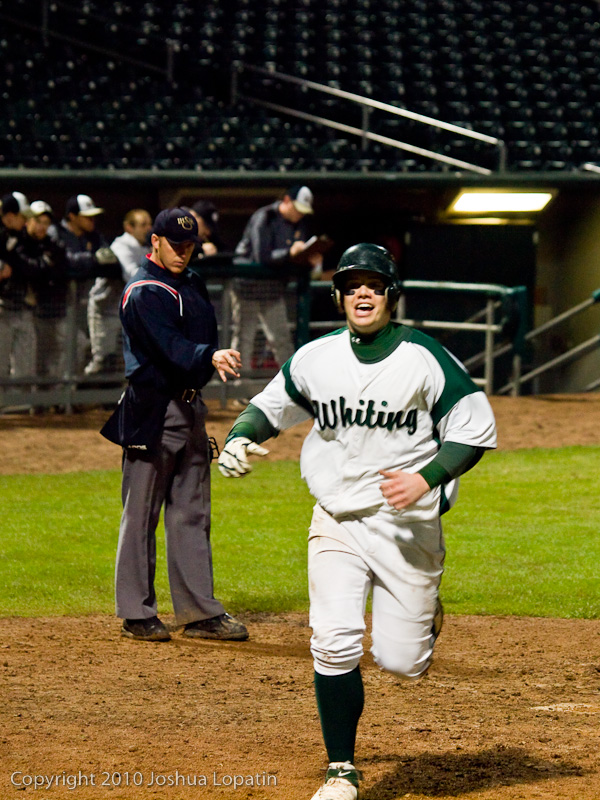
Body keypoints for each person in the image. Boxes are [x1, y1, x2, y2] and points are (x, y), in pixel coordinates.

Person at [217, 243, 497, 800]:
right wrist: (239, 437)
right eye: (351, 285)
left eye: (373, 284)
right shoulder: (316, 357)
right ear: (339, 296)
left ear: (391, 295)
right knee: (333, 641)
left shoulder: (423, 356)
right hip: (337, 517)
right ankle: (341, 770)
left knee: (402, 661)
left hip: (406, 524)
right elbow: (269, 407)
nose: (362, 293)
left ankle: (423, 616)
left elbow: (472, 427)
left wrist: (427, 477)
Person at [100, 207, 248, 643]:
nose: (183, 252)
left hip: (190, 407)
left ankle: (200, 612)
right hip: (152, 409)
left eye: (189, 245)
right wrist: (208, 356)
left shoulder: (192, 283)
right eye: (175, 244)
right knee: (141, 514)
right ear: (155, 242)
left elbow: (200, 340)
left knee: (191, 513)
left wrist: (206, 361)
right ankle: (136, 613)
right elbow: (169, 346)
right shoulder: (142, 292)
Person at [231, 185, 322, 373]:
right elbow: (261, 257)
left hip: (272, 290)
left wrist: (307, 258)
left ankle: (291, 382)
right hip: (247, 288)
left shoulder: (298, 224)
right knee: (244, 340)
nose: (300, 214)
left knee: (281, 339)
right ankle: (238, 385)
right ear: (287, 201)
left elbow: (292, 259)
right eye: (298, 209)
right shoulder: (265, 217)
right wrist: (290, 253)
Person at [51, 193, 121, 372]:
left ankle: (72, 388)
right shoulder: (56, 233)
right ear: (72, 216)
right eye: (87, 217)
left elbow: (113, 265)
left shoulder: (94, 236)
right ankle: (60, 389)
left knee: (85, 349)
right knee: (61, 352)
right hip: (56, 307)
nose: (92, 220)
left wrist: (87, 263)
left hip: (83, 306)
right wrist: (94, 260)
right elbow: (64, 265)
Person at [85, 208, 152, 375]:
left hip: (126, 312)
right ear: (129, 227)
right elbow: (132, 276)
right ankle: (79, 387)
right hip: (105, 309)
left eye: (149, 224)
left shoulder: (145, 247)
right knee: (102, 360)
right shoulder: (121, 245)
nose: (148, 228)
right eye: (143, 225)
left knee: (124, 360)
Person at [0, 191, 45, 381]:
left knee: (24, 369)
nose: (26, 222)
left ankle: (19, 399)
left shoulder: (19, 237)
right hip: (2, 308)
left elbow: (33, 266)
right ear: (10, 216)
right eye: (22, 217)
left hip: (19, 306)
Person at [23, 200, 69, 381]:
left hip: (52, 309)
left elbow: (62, 269)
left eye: (46, 223)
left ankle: (55, 392)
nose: (42, 226)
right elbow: (29, 271)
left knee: (66, 348)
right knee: (32, 357)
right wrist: (44, 266)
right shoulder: (20, 243)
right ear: (28, 221)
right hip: (27, 310)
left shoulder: (53, 244)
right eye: (38, 221)